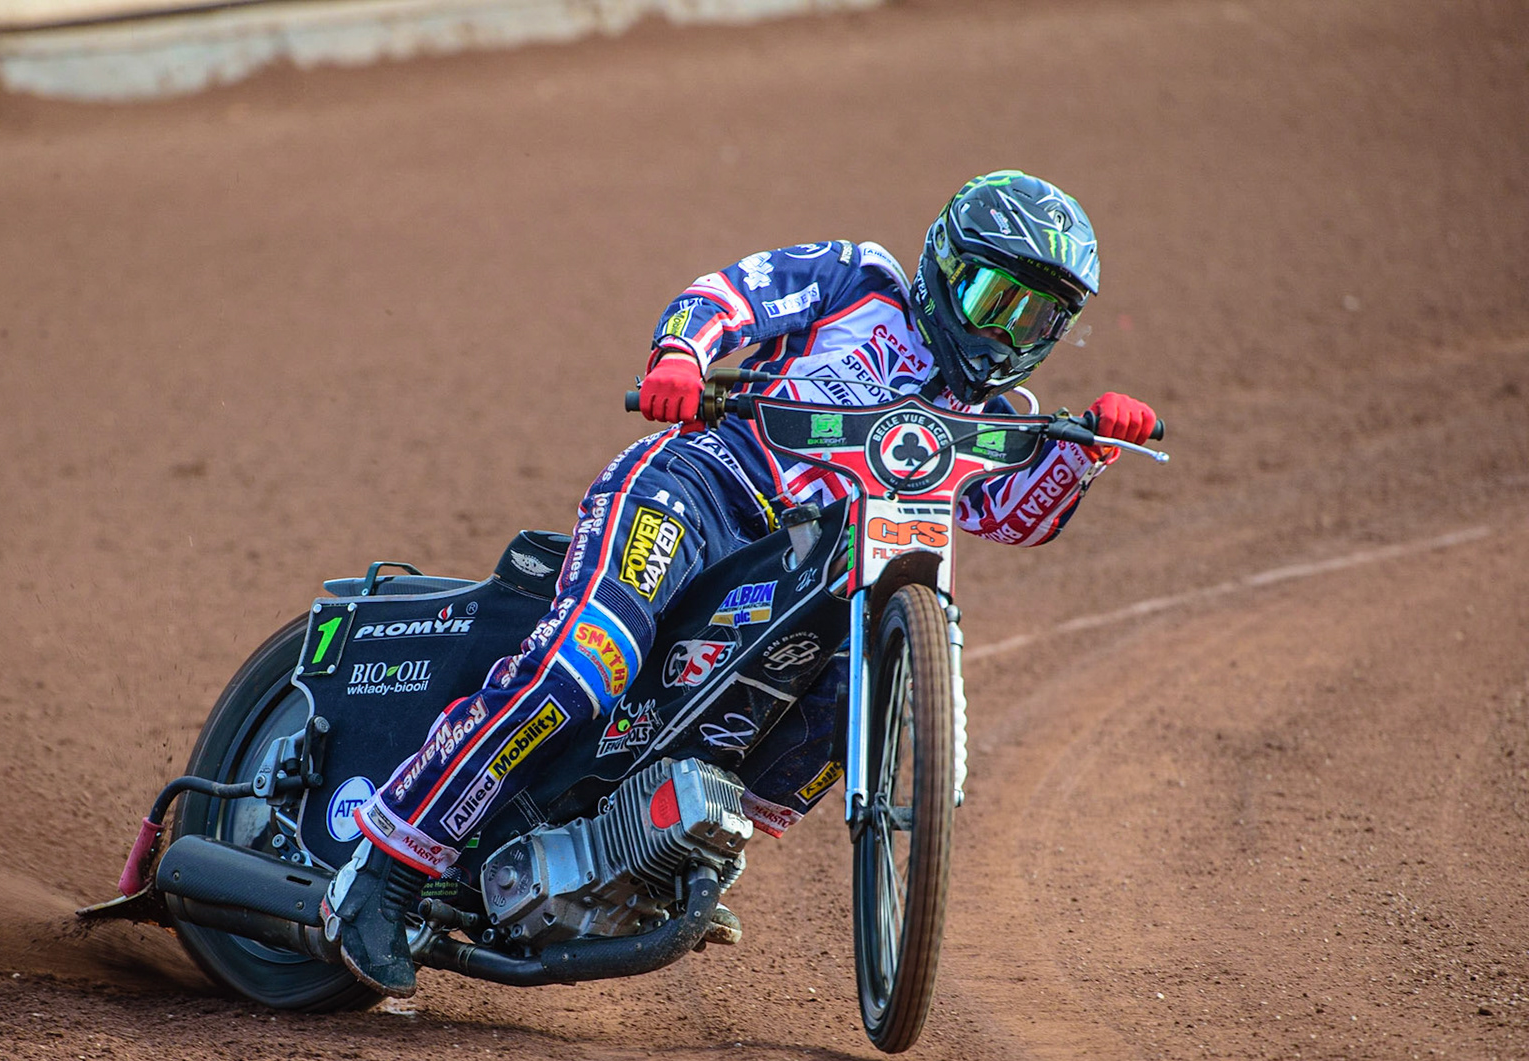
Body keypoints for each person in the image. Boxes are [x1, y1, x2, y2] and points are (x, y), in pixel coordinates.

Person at [324, 170, 1160, 996]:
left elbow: (1014, 516)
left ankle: (678, 853)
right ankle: (384, 868)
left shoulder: (1003, 414)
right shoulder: (859, 282)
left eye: (1038, 315)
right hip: (703, 488)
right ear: (945, 264)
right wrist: (681, 355)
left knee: (842, 700)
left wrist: (1086, 450)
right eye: (993, 299)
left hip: (808, 565)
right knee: (588, 661)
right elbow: (727, 295)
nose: (1008, 332)